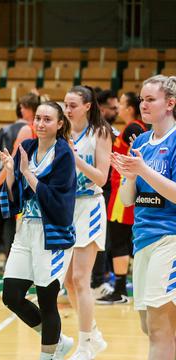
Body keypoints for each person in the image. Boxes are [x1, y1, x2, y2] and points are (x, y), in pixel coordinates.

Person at [111, 75, 176, 360]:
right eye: (141, 99)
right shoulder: (142, 144)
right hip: (144, 241)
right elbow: (126, 202)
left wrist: (143, 171)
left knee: (161, 330)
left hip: (172, 240)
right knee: (151, 328)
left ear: (170, 103)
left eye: (151, 99)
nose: (143, 105)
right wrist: (128, 176)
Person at [0, 101, 76, 360]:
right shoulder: (28, 147)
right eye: (38, 118)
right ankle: (58, 341)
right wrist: (10, 171)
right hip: (26, 230)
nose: (41, 123)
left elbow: (58, 200)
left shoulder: (64, 154)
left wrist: (28, 173)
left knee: (47, 300)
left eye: (48, 119)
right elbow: (18, 196)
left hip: (53, 235)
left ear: (59, 124)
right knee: (12, 295)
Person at [59, 86, 112, 360]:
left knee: (81, 279)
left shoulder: (100, 134)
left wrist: (75, 158)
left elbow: (102, 178)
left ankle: (83, 348)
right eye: (65, 105)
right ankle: (93, 335)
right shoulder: (63, 132)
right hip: (67, 207)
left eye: (72, 105)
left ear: (87, 106)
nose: (67, 110)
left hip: (90, 206)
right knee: (68, 280)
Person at [0, 93, 39, 275]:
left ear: (23, 107)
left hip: (12, 183)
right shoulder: (41, 129)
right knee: (19, 226)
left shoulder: (15, 130)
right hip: (31, 184)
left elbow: (1, 162)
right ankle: (20, 266)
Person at [98, 92, 147, 305]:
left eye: (122, 102)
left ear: (129, 108)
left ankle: (119, 290)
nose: (118, 106)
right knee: (122, 241)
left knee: (119, 240)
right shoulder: (133, 127)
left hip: (122, 192)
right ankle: (121, 289)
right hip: (121, 191)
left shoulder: (133, 128)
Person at [90, 88, 120, 295]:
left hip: (108, 188)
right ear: (100, 107)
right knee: (99, 237)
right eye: (113, 107)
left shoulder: (107, 129)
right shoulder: (98, 131)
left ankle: (100, 278)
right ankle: (98, 281)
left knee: (103, 238)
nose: (116, 110)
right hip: (98, 188)